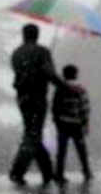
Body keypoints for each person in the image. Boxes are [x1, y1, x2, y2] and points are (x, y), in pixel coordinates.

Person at [9, 24, 66, 185]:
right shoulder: (42, 51)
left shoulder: (16, 53)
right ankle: (17, 171)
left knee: (33, 133)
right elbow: (50, 73)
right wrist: (65, 86)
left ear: (24, 35)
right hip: (37, 98)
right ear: (37, 35)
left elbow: (22, 74)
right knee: (33, 135)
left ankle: (48, 172)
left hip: (22, 99)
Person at [53, 64, 92, 184]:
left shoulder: (60, 89)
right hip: (77, 124)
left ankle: (59, 174)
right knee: (81, 149)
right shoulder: (80, 89)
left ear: (64, 75)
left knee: (61, 151)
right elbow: (84, 108)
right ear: (76, 74)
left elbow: (55, 107)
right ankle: (86, 172)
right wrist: (85, 123)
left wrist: (56, 120)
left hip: (63, 123)